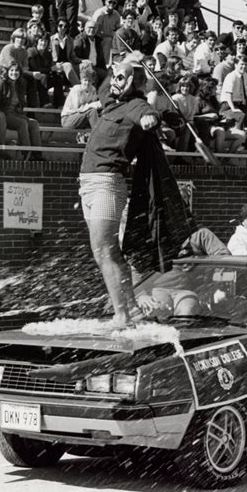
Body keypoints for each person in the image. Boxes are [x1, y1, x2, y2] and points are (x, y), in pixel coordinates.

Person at [79, 61, 161, 328]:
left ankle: (122, 314)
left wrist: (151, 118)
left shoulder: (134, 105)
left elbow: (147, 112)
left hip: (107, 183)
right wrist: (127, 60)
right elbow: (104, 86)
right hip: (88, 184)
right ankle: (133, 310)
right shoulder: (112, 104)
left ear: (132, 82)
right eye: (114, 76)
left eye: (121, 77)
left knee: (105, 250)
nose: (114, 80)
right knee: (105, 252)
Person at [0, 62, 41, 150]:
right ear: (7, 71)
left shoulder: (20, 84)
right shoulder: (0, 84)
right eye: (11, 70)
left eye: (16, 71)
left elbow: (21, 103)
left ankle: (37, 154)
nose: (14, 73)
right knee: (22, 123)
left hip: (15, 113)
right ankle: (26, 153)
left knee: (34, 123)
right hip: (4, 113)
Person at [194, 78, 246, 153]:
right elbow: (194, 118)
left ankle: (226, 158)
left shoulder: (213, 100)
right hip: (205, 127)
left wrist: (224, 119)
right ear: (208, 88)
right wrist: (209, 116)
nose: (216, 90)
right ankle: (220, 155)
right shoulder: (198, 100)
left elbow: (218, 115)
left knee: (242, 135)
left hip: (217, 124)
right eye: (214, 88)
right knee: (220, 131)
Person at [61, 64, 102, 130]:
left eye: (89, 80)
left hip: (82, 118)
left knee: (99, 112)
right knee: (92, 111)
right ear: (81, 80)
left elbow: (93, 105)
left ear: (92, 81)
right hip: (68, 118)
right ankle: (98, 133)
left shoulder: (93, 89)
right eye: (85, 80)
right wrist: (91, 105)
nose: (87, 83)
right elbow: (78, 108)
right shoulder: (76, 89)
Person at [220, 56, 247, 128]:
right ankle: (238, 134)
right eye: (242, 64)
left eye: (246, 64)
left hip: (241, 104)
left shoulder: (246, 76)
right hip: (228, 105)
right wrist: (233, 108)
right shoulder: (231, 76)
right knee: (241, 115)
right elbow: (228, 94)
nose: (244, 66)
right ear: (236, 65)